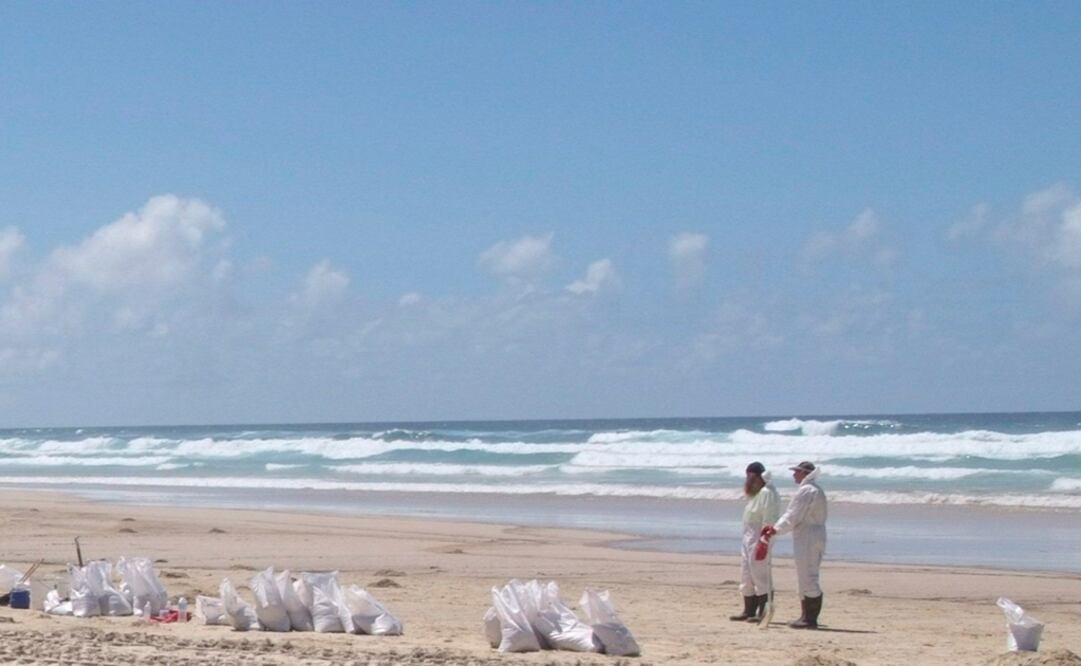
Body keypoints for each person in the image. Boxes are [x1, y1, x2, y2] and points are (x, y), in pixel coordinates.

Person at [763, 460, 827, 629]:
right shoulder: (816, 489)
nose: (794, 475)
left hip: (808, 535)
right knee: (808, 573)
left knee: (807, 575)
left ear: (804, 473)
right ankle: (806, 615)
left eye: (796, 472)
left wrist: (776, 529)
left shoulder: (807, 490)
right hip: (814, 534)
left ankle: (809, 618)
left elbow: (793, 515)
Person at [729, 461, 780, 622]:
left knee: (759, 573)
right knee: (746, 573)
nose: (748, 480)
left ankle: (763, 612)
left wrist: (764, 540)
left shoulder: (767, 493)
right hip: (748, 536)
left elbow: (769, 517)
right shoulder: (756, 495)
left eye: (750, 476)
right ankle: (748, 610)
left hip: (759, 536)